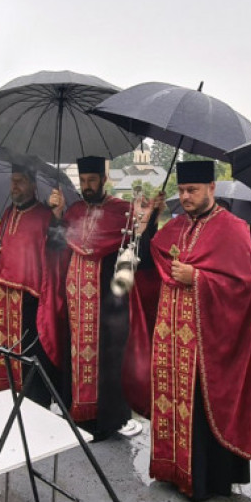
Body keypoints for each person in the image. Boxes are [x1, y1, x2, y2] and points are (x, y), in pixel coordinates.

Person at [147, 160, 251, 500]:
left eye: (193, 191)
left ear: (212, 189)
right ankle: (172, 467)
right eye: (182, 191)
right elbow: (154, 251)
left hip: (207, 344)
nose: (185, 197)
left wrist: (199, 278)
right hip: (172, 339)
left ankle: (205, 480)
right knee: (172, 401)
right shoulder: (177, 227)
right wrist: (152, 219)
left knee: (201, 408)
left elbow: (247, 286)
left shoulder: (232, 228)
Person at [46, 156, 156, 440]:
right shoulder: (74, 210)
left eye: (91, 181)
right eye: (83, 182)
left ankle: (108, 420)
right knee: (75, 353)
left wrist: (148, 222)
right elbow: (57, 247)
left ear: (103, 180)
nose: (86, 187)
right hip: (75, 301)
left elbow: (138, 254)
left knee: (109, 357)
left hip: (107, 301)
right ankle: (76, 412)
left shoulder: (121, 210)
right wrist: (57, 217)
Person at [0, 163, 58, 405]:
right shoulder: (8, 213)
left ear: (33, 185)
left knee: (29, 353)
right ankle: (4, 398)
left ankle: (33, 402)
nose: (14, 186)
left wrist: (58, 218)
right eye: (12, 181)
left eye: (20, 181)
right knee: (5, 350)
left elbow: (57, 251)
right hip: (4, 298)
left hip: (31, 299)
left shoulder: (45, 215)